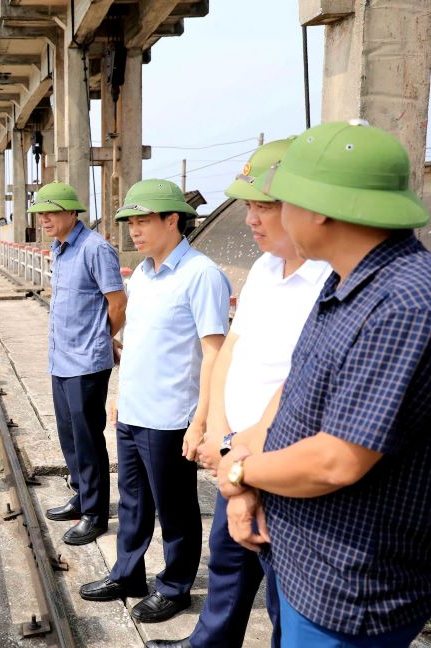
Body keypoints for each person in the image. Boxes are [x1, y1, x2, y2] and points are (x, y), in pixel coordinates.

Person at [217, 120, 431, 647]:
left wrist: (240, 468)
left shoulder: (403, 303)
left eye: (282, 201)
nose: (273, 216)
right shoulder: (345, 280)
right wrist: (244, 461)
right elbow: (294, 388)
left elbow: (339, 459)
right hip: (301, 555)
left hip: (348, 580)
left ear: (319, 209)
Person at [146, 139, 332, 648]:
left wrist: (238, 451)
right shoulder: (265, 271)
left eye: (263, 206)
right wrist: (219, 432)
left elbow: (302, 385)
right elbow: (229, 351)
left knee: (284, 591)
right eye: (248, 206)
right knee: (227, 561)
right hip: (238, 451)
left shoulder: (329, 280)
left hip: (283, 455)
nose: (251, 218)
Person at [80, 179, 231, 624]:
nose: (134, 230)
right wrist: (119, 396)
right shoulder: (143, 273)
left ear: (173, 220)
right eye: (130, 221)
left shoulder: (201, 275)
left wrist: (200, 422)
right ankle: (128, 574)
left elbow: (214, 354)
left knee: (176, 508)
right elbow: (139, 341)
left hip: (172, 416)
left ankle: (176, 585)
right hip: (134, 410)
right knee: (132, 501)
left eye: (143, 220)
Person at [29, 182, 127, 545]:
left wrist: (104, 337)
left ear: (73, 213)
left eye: (52, 212)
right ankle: (82, 495)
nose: (45, 219)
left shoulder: (95, 249)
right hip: (61, 359)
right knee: (69, 435)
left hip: (86, 361)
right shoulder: (59, 249)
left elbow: (117, 303)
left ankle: (95, 513)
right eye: (41, 213)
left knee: (88, 439)